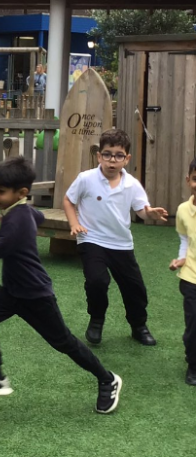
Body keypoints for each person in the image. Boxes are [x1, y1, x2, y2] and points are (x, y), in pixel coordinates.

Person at [0, 156, 122, 414]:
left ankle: (108, 379)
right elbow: (38, 214)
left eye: (1, 191)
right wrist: (24, 218)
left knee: (64, 342)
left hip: (35, 295)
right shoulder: (20, 211)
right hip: (12, 291)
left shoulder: (16, 221)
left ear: (21, 193)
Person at [63, 129, 168, 346]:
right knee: (97, 281)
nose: (112, 160)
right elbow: (68, 200)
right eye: (107, 154)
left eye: (119, 155)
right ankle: (96, 320)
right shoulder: (86, 179)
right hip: (91, 239)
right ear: (99, 156)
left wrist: (150, 213)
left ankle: (139, 326)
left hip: (121, 243)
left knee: (135, 288)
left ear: (126, 159)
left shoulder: (132, 184)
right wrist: (74, 224)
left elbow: (141, 210)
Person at [169, 158, 196, 386]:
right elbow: (185, 240)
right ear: (188, 180)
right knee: (193, 325)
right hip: (191, 278)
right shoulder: (183, 210)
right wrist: (180, 259)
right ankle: (193, 364)